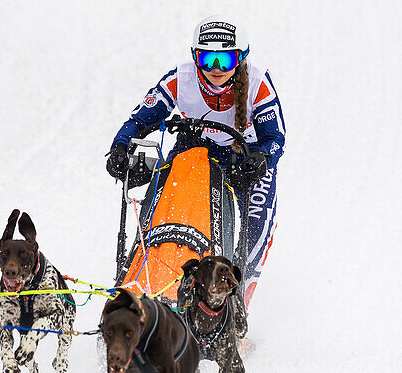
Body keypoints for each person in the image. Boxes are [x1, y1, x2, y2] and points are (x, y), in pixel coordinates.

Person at [105, 16, 285, 309]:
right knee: (167, 200)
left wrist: (262, 159)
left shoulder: (258, 83)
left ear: (240, 59)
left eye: (225, 60)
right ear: (194, 57)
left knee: (257, 228)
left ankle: (236, 308)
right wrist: (120, 148)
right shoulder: (180, 78)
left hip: (246, 158)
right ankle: (149, 278)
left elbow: (275, 137)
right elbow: (139, 120)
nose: (215, 69)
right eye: (206, 57)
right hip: (196, 148)